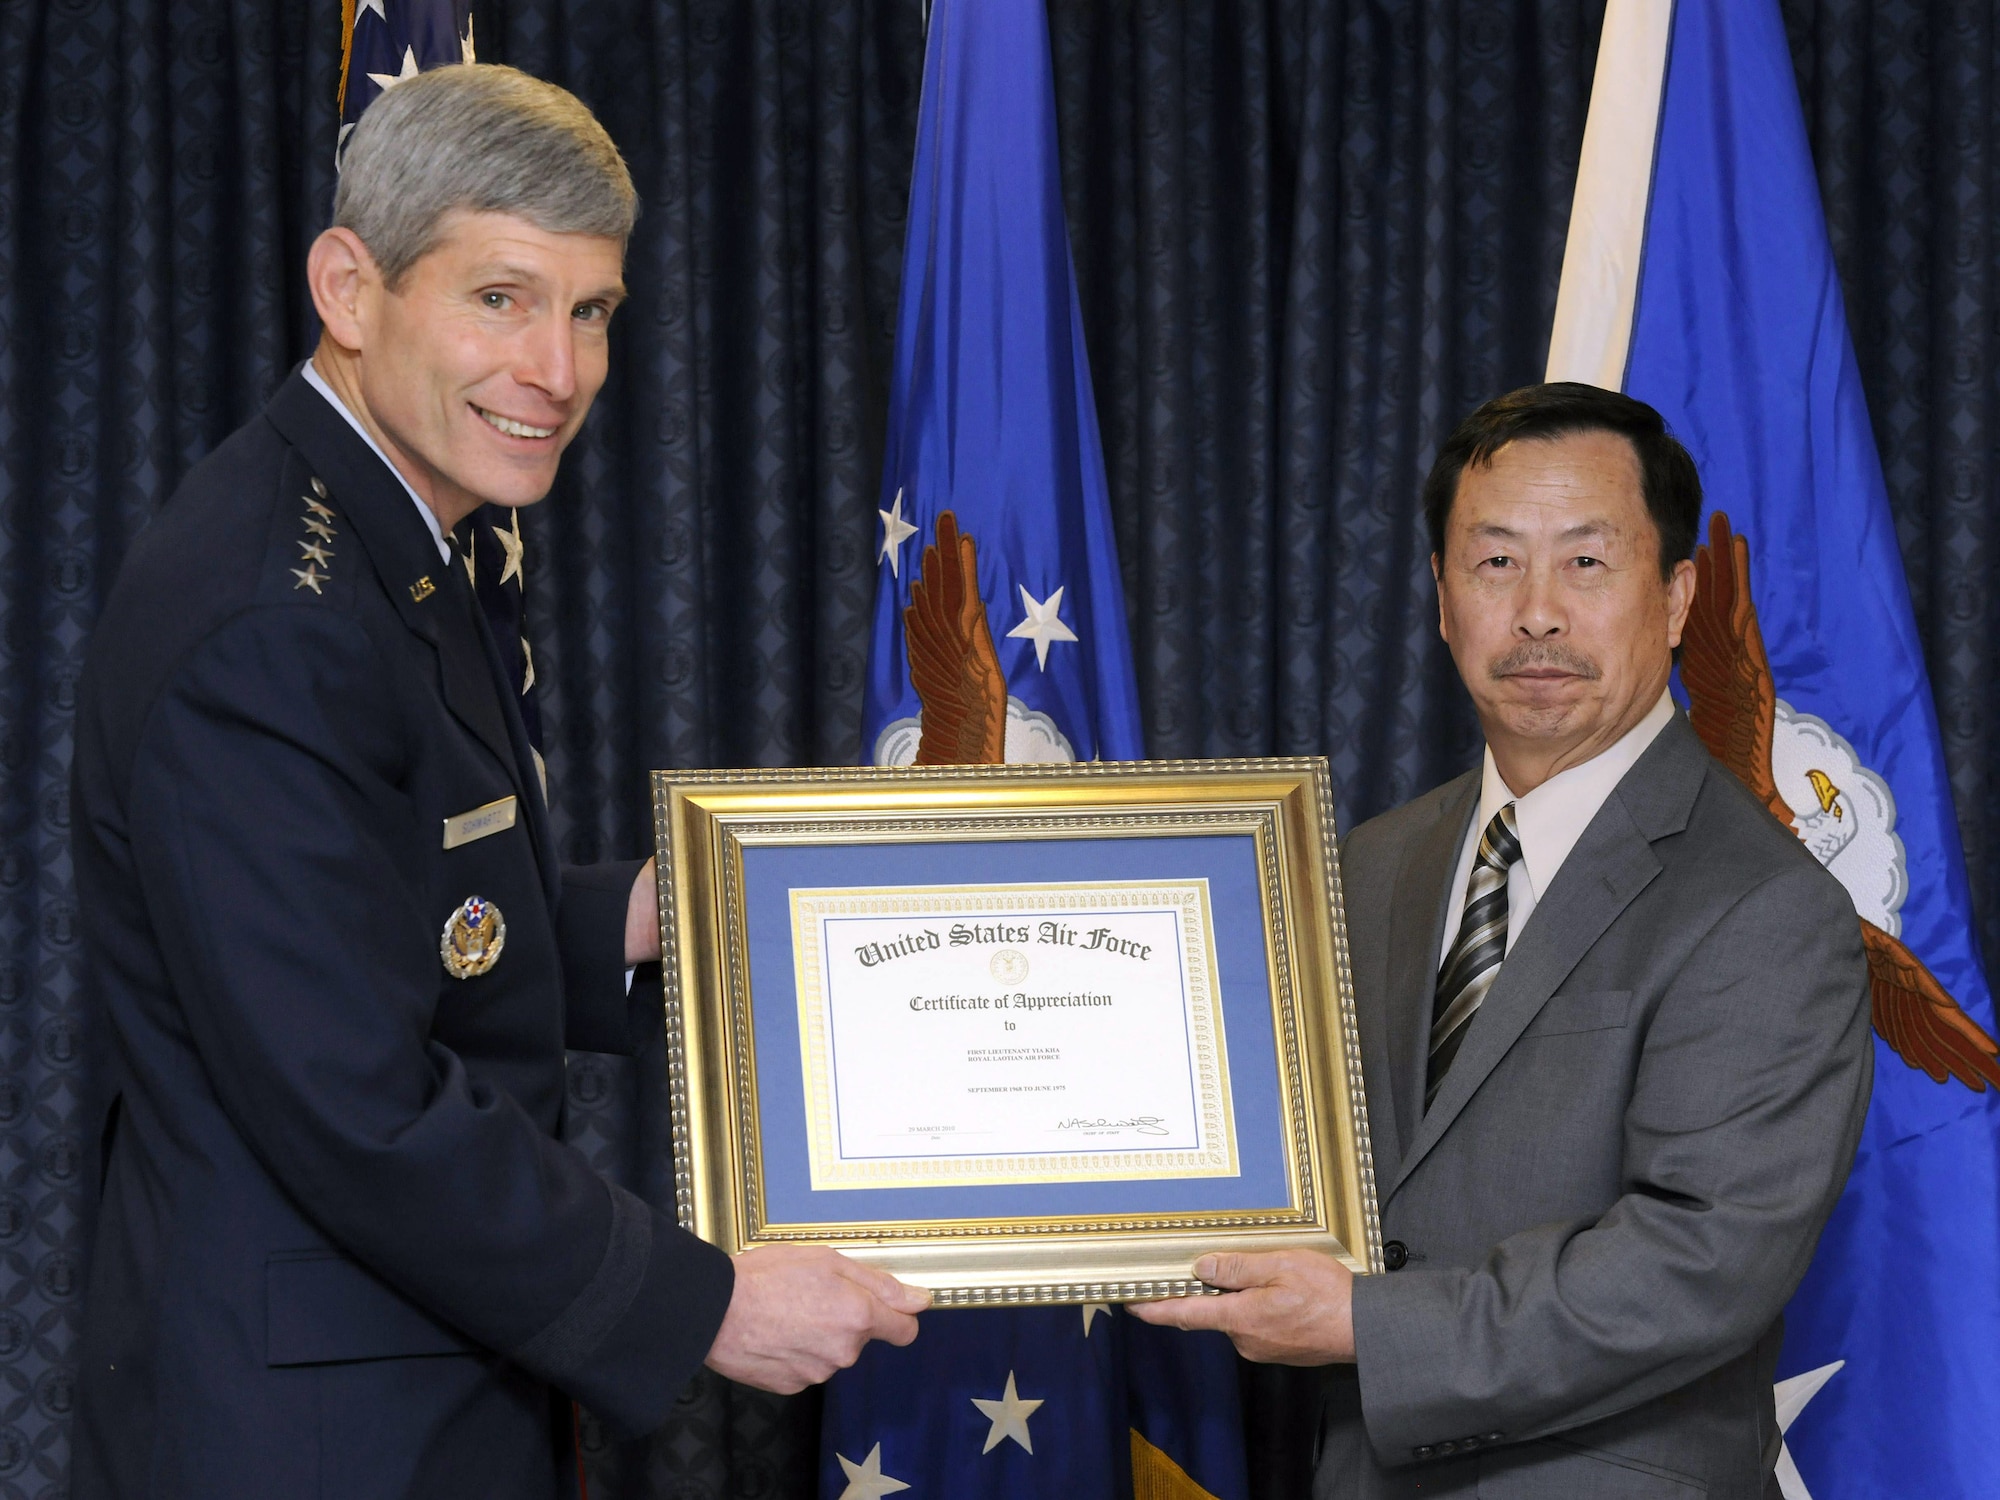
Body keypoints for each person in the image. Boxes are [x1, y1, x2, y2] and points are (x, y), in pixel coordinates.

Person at [69, 65, 926, 1499]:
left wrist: (664, 916)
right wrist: (704, 1304)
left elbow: (397, 912)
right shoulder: (280, 614)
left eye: (589, 311)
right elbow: (358, 1101)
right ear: (350, 289)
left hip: (386, 1391)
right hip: (314, 1446)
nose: (559, 370)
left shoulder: (376, 531)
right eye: (500, 299)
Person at [1134, 383, 1873, 1498]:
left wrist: (1365, 1324)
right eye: (1493, 564)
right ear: (1439, 599)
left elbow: (1698, 1261)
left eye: (1585, 563)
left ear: (1675, 598)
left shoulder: (1762, 906)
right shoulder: (1368, 864)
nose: (1535, 613)